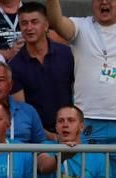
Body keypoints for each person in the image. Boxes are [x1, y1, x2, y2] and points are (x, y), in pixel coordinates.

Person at [47, 0, 116, 169]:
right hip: (88, 120)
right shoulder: (81, 26)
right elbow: (56, 22)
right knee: (89, 176)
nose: (104, 2)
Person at [9, 2, 74, 139]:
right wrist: (50, 136)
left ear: (46, 25)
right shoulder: (15, 65)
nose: (29, 28)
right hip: (38, 138)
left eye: (34, 22)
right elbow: (23, 111)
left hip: (71, 133)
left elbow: (79, 93)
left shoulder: (66, 54)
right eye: (24, 23)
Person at [0, 61, 46, 144]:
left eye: (1, 80)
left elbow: (41, 144)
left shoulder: (28, 111)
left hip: (22, 152)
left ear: (10, 85)